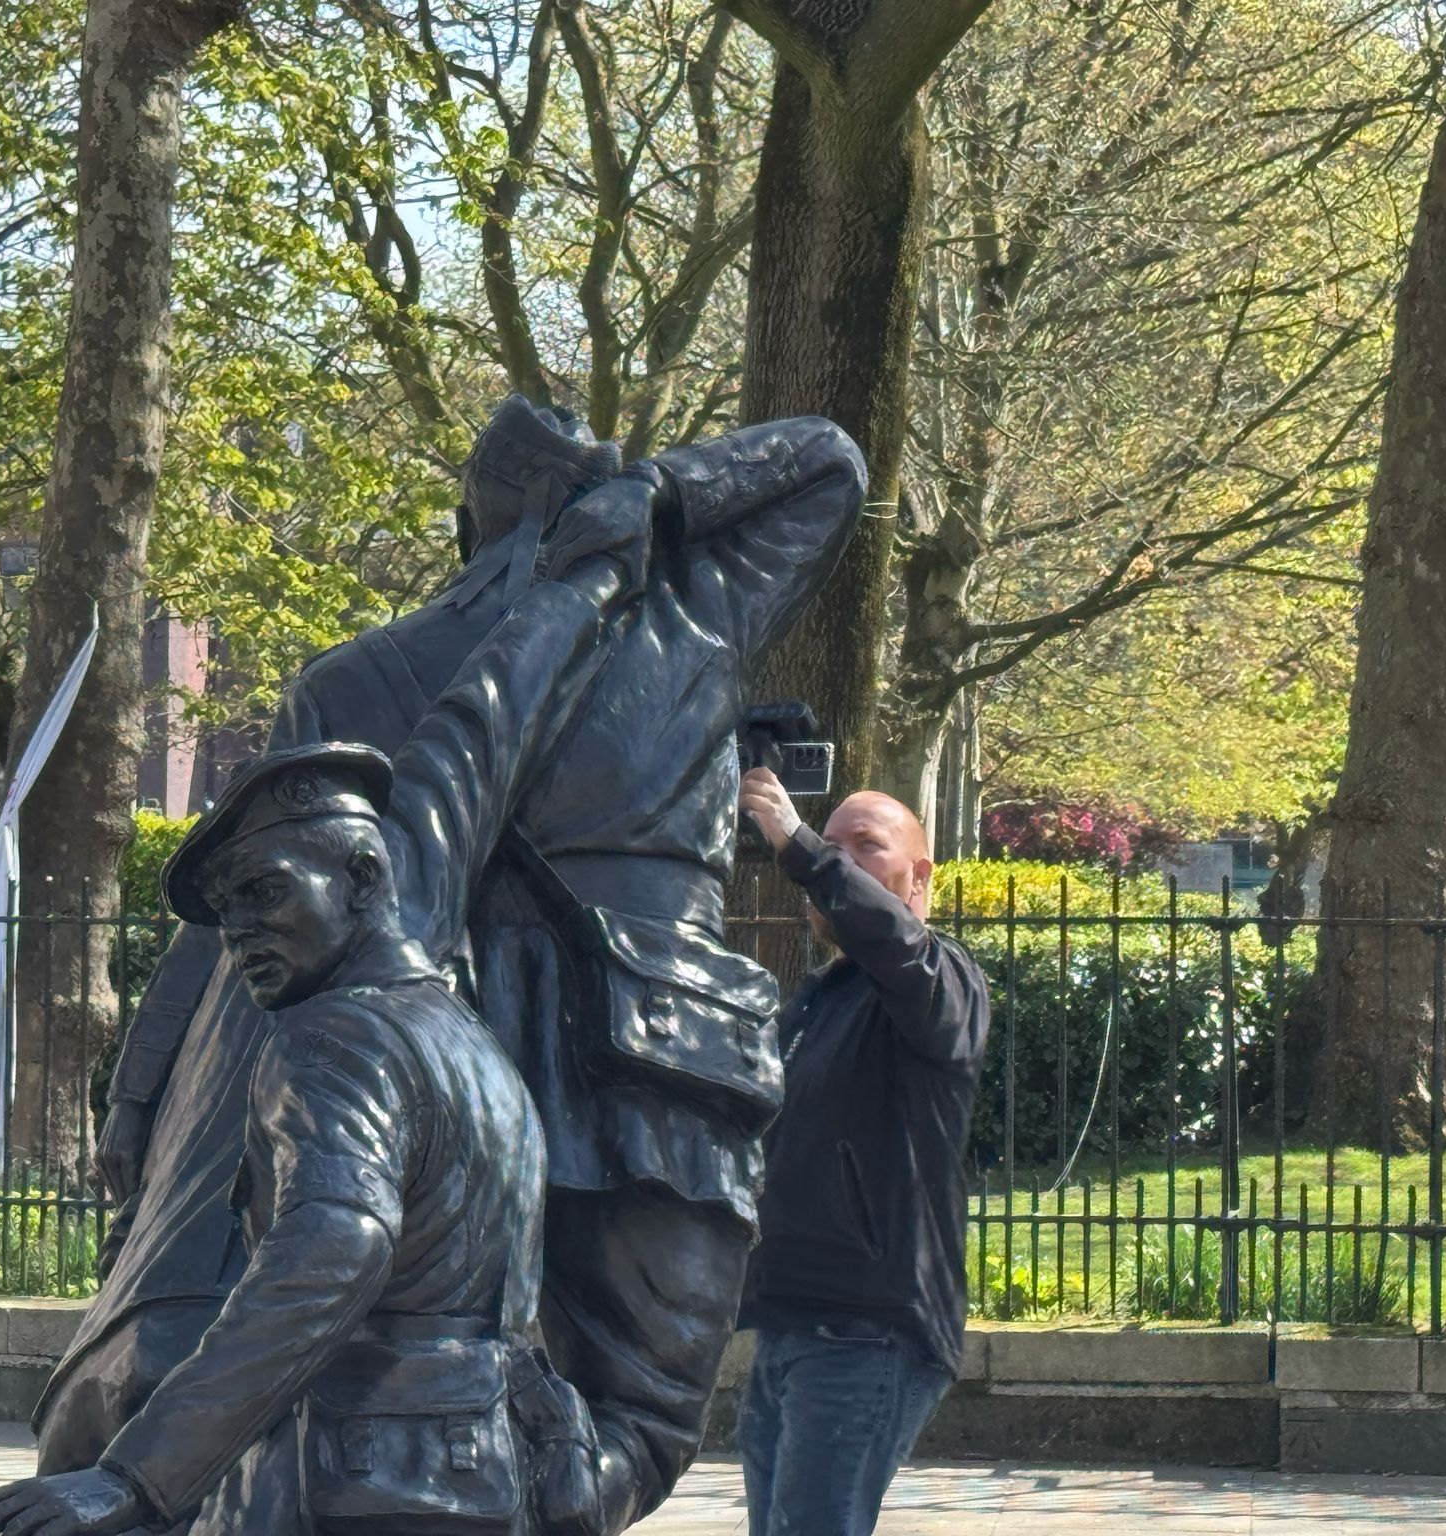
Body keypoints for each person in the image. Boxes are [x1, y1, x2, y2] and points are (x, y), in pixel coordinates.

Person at [43, 397, 866, 1533]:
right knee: (639, 1424)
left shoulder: (360, 680)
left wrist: (140, 1097)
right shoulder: (694, 611)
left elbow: (229, 919)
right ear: (601, 493)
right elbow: (826, 459)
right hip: (658, 1078)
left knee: (430, 1373)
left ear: (463, 525)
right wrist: (661, 496)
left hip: (470, 1055)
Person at [0, 495, 641, 1536]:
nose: (240, 934)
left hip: (360, 1482)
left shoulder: (336, 1040)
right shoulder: (465, 1043)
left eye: (264, 893)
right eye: (226, 913)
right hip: (485, 1475)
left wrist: (132, 1478)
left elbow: (333, 1250)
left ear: (363, 878)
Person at [730, 770, 991, 1536]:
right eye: (831, 844)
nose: (836, 862)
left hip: (867, 1333)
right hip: (788, 1328)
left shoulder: (943, 983)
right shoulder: (816, 1004)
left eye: (864, 848)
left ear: (920, 878)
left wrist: (803, 844)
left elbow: (896, 946)